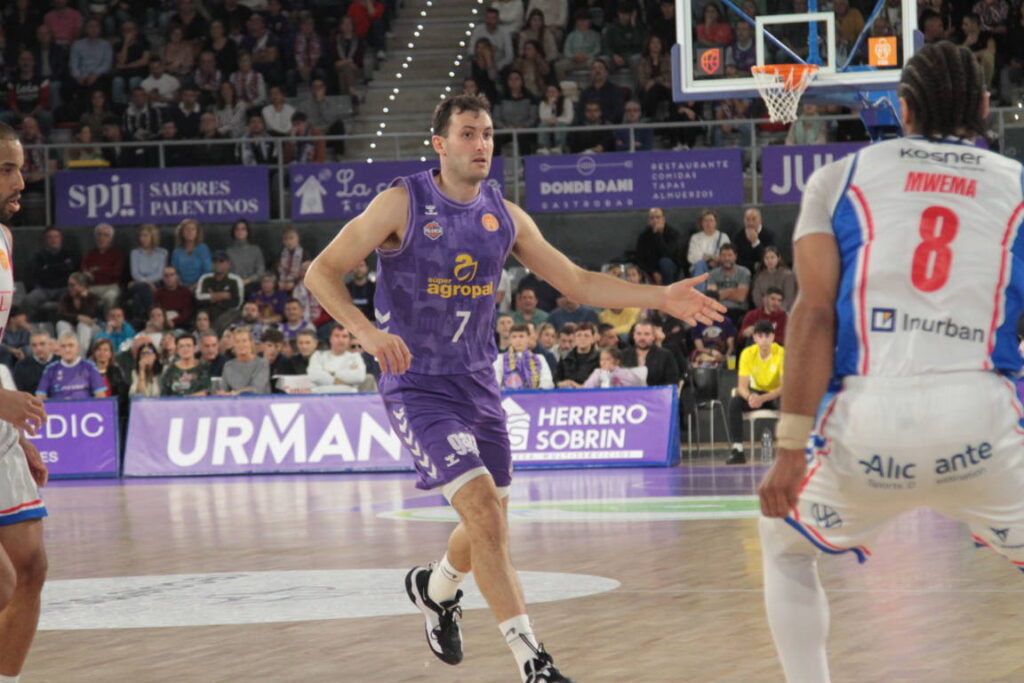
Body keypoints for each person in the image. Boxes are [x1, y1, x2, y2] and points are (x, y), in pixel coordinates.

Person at [303, 94, 722, 683]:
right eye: (469, 134)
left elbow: (575, 281)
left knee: (490, 522)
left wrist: (660, 296)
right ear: (440, 144)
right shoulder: (401, 201)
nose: (481, 145)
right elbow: (320, 270)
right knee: (481, 511)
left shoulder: (506, 216)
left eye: (489, 135)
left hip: (479, 384)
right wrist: (367, 334)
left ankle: (436, 587)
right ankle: (534, 663)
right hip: (417, 385)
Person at [755, 42, 1024, 683]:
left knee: (784, 548)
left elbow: (813, 315)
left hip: (869, 426)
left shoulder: (838, 179)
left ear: (902, 110)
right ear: (986, 107)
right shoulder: (1016, 185)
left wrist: (791, 450)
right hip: (981, 421)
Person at [0, 113, 50, 683]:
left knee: (30, 569)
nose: (21, 182)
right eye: (7, 170)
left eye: (22, 167)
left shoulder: (6, 239)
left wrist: (12, 429)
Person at [725, 320, 783, 464]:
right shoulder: (747, 353)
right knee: (735, 402)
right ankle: (737, 449)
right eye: (760, 336)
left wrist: (763, 398)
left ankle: (789, 450)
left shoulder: (781, 353)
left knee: (790, 402)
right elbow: (742, 386)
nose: (764, 340)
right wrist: (750, 396)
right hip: (756, 394)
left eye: (767, 336)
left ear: (773, 337)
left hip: (774, 395)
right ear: (755, 338)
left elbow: (784, 387)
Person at [36, 333, 109, 400]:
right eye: (63, 346)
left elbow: (100, 396)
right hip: (58, 412)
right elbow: (40, 397)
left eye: (71, 345)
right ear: (59, 349)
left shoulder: (89, 367)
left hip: (85, 411)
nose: (67, 350)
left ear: (78, 348)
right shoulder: (50, 369)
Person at [307, 324, 367, 394]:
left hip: (350, 397)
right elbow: (314, 376)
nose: (340, 340)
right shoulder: (318, 355)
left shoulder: (355, 357)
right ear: (330, 338)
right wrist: (341, 382)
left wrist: (332, 373)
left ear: (349, 340)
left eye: (344, 336)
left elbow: (359, 377)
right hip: (321, 396)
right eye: (337, 336)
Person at [494, 323, 553, 390]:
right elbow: (495, 382)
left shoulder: (540, 358)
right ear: (510, 340)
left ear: (528, 338)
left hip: (535, 397)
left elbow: (547, 381)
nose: (518, 340)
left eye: (521, 336)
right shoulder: (500, 359)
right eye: (514, 337)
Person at [622, 320, 679, 386]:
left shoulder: (665, 355)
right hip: (629, 394)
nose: (642, 338)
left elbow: (672, 381)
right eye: (638, 334)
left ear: (653, 336)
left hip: (658, 394)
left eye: (647, 334)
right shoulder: (623, 354)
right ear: (633, 335)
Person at [633, 207, 682, 285]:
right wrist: (654, 272)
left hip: (671, 269)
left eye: (658, 217)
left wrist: (658, 235)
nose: (655, 221)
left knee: (665, 262)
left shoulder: (673, 233)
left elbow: (668, 254)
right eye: (652, 218)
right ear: (648, 221)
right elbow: (640, 258)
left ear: (663, 219)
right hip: (651, 270)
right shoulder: (644, 236)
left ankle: (667, 291)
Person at [706, 244, 751, 327]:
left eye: (730, 255)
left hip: (738, 311)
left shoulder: (744, 272)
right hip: (718, 310)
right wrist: (733, 291)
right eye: (723, 255)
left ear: (735, 257)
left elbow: (741, 297)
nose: (727, 258)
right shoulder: (712, 274)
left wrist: (721, 293)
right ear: (719, 257)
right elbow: (712, 297)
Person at [218, 327, 270, 395]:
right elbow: (223, 391)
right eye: (237, 342)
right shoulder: (228, 366)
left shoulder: (262, 364)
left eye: (244, 341)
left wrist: (233, 393)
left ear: (251, 343)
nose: (241, 345)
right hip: (234, 404)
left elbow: (256, 389)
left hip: (258, 403)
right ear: (233, 345)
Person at [750, 246, 797, 313]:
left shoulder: (788, 275)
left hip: (784, 312)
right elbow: (756, 297)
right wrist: (766, 311)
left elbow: (789, 298)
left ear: (778, 258)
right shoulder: (759, 277)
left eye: (772, 257)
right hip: (764, 311)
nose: (769, 261)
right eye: (766, 258)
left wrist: (778, 311)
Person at [170, 218, 213, 288]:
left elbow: (207, 271)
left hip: (200, 286)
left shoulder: (203, 248)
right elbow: (174, 272)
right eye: (187, 229)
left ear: (197, 233)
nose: (189, 232)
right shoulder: (177, 251)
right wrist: (181, 286)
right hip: (180, 286)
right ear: (182, 233)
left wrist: (195, 286)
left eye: (193, 229)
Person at [732, 207, 776, 275]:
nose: (750, 223)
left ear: (760, 220)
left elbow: (770, 258)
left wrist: (755, 242)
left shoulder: (769, 235)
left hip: (765, 272)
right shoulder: (738, 236)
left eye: (753, 219)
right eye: (747, 219)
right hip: (743, 273)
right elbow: (737, 259)